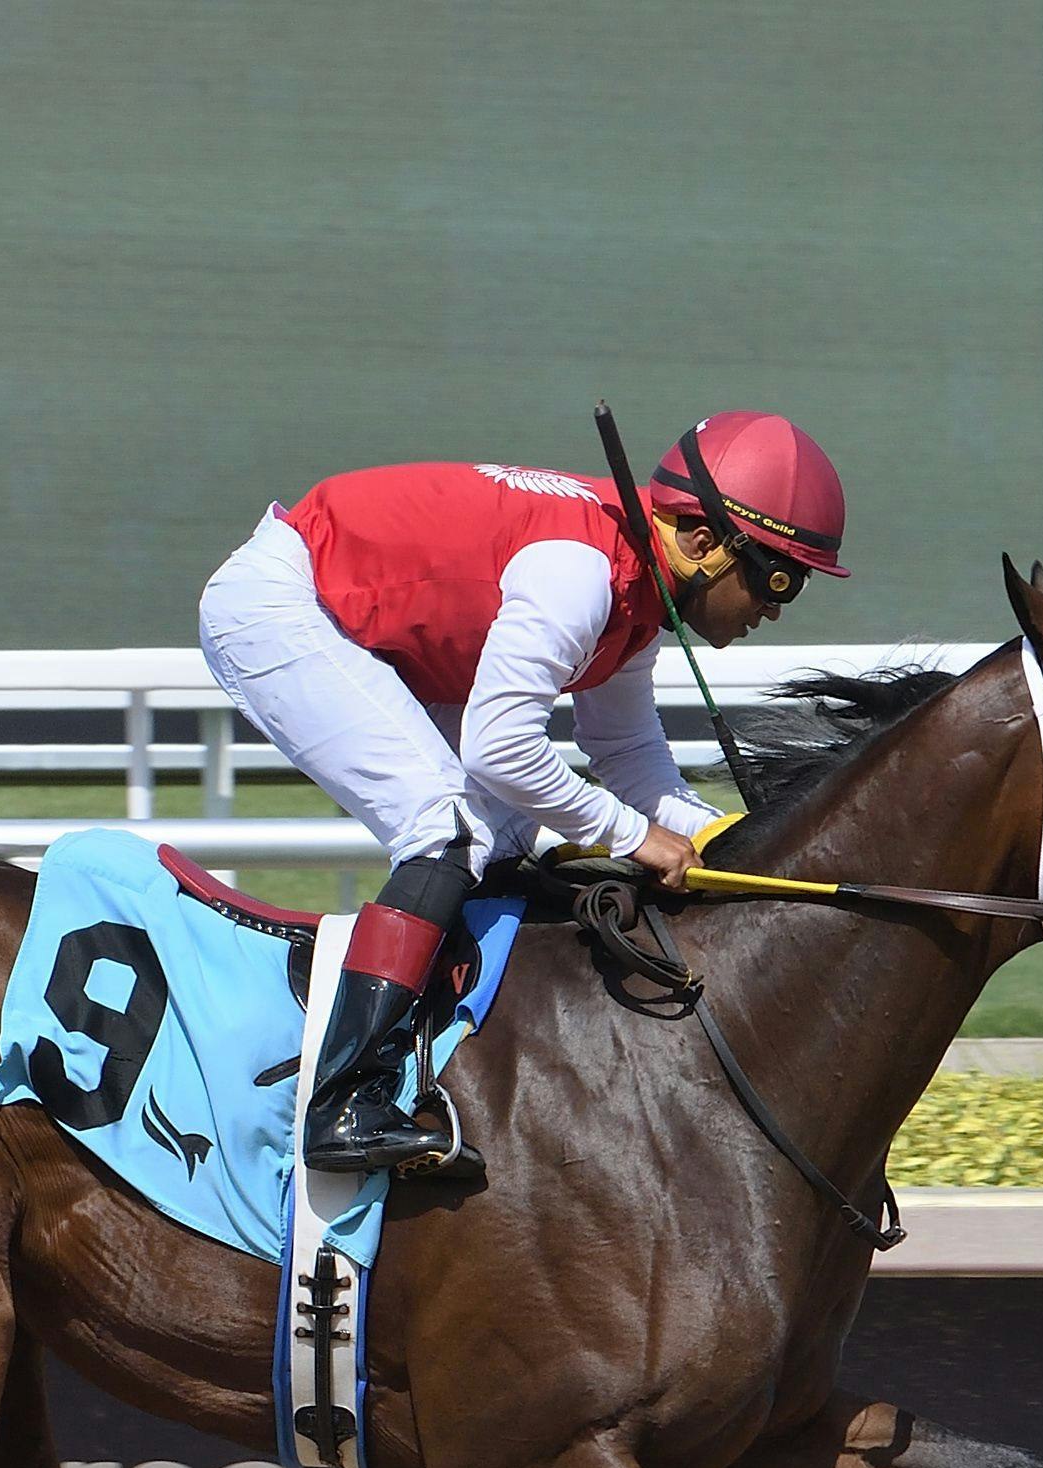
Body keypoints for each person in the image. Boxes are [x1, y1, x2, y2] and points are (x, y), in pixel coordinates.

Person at [197, 412, 848, 1179]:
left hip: (377, 628)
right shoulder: (580, 574)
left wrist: (729, 843)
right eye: (778, 577)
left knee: (508, 845)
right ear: (703, 541)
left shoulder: (637, 592)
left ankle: (462, 1066)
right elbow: (501, 748)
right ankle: (345, 1101)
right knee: (450, 833)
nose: (775, 607)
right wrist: (634, 838)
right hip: (288, 604)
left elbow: (629, 755)